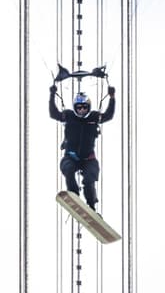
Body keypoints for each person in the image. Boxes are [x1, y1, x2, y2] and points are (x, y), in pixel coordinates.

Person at [49, 84, 116, 212]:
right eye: (79, 107)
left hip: (88, 158)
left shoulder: (94, 117)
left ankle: (91, 205)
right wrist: (52, 95)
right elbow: (54, 114)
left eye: (85, 107)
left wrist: (112, 98)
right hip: (71, 156)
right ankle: (74, 197)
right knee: (68, 169)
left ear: (88, 107)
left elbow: (108, 115)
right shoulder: (68, 116)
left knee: (90, 178)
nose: (82, 110)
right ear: (75, 108)